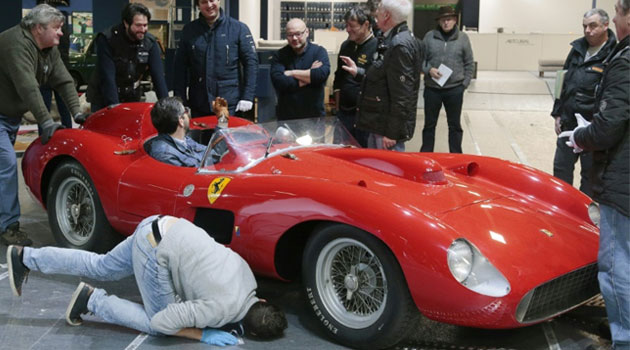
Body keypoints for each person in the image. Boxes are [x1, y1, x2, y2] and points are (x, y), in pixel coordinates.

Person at [7, 214, 288, 345]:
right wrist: (203, 334)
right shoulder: (217, 312)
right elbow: (161, 321)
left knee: (102, 266)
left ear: (262, 300)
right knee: (159, 327)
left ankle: (25, 257)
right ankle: (93, 300)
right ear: (248, 333)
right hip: (156, 250)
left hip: (161, 224)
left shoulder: (248, 277)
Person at [562, 1, 629, 348]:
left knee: (618, 270)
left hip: (622, 182)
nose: (615, 19)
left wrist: (580, 137)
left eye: (617, 13)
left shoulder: (624, 59)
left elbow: (609, 126)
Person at [0, 4, 87, 246]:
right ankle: (9, 227)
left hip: (9, 116)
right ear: (38, 28)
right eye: (56, 28)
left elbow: (63, 80)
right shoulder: (16, 44)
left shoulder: (47, 49)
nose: (61, 33)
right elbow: (27, 86)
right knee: (6, 166)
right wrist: (46, 121)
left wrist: (77, 113)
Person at [551, 9, 617, 197]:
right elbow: (562, 81)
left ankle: (582, 217)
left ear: (605, 26)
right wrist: (557, 113)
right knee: (560, 171)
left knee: (590, 177)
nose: (588, 31)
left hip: (592, 127)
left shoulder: (613, 54)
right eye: (585, 26)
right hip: (568, 122)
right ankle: (561, 211)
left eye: (593, 26)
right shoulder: (577, 49)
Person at [352, 0, 422, 151]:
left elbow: (402, 95)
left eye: (378, 13)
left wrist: (392, 133)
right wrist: (359, 72)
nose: (375, 17)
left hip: (385, 130)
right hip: (379, 122)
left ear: (386, 16)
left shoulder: (399, 44)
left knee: (386, 170)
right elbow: (383, 75)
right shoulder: (393, 39)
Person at [174, 0, 258, 117]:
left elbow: (251, 64)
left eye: (212, 0)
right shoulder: (189, 31)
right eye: (203, 2)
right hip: (199, 104)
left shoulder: (238, 29)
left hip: (231, 105)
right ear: (198, 5)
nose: (209, 5)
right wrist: (180, 101)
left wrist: (247, 96)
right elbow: (180, 68)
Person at [87, 3, 168, 112]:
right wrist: (115, 109)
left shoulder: (150, 43)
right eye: (138, 25)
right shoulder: (107, 39)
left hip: (132, 96)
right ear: (126, 23)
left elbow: (158, 78)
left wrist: (168, 108)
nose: (143, 30)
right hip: (104, 97)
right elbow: (107, 78)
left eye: (145, 25)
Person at [420, 5, 474, 154]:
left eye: (449, 19)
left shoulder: (463, 38)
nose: (446, 23)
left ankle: (456, 155)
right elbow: (420, 59)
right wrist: (429, 70)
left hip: (455, 90)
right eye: (443, 20)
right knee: (429, 125)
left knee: (455, 126)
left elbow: (469, 63)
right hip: (432, 90)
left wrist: (464, 84)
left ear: (455, 20)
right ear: (439, 21)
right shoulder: (429, 37)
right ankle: (426, 155)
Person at [332, 6, 377, 147]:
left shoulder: (377, 47)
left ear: (366, 25)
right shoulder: (346, 46)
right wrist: (338, 108)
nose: (347, 29)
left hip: (365, 115)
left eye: (352, 26)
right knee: (340, 154)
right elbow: (338, 78)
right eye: (346, 25)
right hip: (343, 114)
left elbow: (377, 82)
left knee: (363, 156)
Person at [270, 18, 331, 121]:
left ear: (307, 32)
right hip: (287, 117)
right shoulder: (279, 55)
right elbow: (279, 81)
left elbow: (320, 75)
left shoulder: (319, 52)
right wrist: (309, 76)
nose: (294, 38)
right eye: (290, 35)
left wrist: (291, 73)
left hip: (314, 118)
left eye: (298, 34)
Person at [146, 97, 207, 167]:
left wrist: (221, 120)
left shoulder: (183, 139)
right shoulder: (165, 154)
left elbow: (210, 153)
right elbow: (194, 173)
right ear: (181, 121)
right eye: (186, 111)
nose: (188, 115)